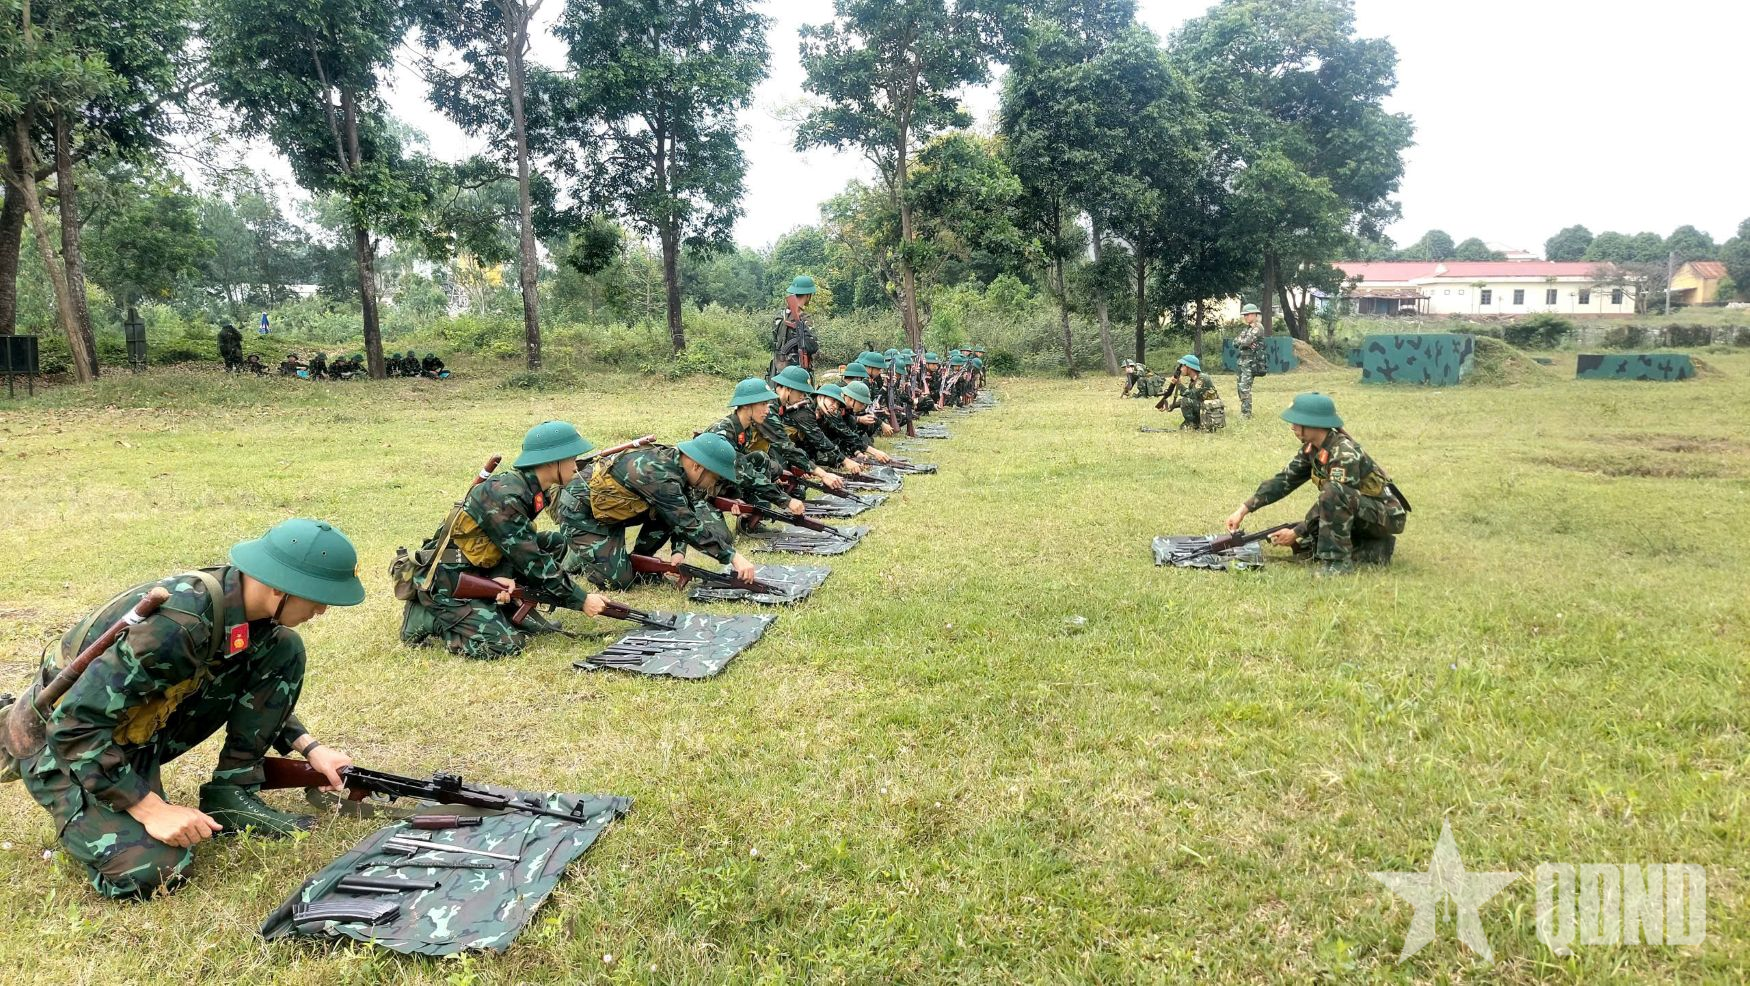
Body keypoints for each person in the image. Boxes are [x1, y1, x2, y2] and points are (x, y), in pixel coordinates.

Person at [6, 519, 366, 898]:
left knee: (283, 648)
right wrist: (150, 809)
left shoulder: (245, 608)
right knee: (155, 872)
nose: (322, 609)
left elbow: (245, 677)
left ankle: (232, 790)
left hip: (132, 730)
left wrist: (311, 747)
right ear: (280, 586)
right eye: (318, 596)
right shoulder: (173, 628)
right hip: (65, 747)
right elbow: (73, 726)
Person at [396, 421, 609, 659]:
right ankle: (427, 617)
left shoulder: (529, 488)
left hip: (479, 565)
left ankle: (500, 608)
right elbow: (532, 561)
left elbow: (509, 544)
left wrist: (502, 575)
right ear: (551, 461)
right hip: (449, 578)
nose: (576, 466)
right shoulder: (505, 497)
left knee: (555, 542)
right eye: (571, 458)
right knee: (505, 645)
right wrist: (581, 600)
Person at [1223, 393, 1408, 575]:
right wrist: (1243, 510)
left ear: (1314, 424)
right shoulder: (1312, 449)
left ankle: (1338, 564)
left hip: (1386, 517)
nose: (1292, 427)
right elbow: (1283, 481)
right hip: (1361, 510)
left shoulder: (1344, 453)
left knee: (1332, 493)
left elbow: (1337, 497)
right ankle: (1371, 549)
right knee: (1312, 539)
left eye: (1297, 422)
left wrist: (1296, 532)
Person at [558, 433, 759, 590]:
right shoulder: (661, 476)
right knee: (619, 582)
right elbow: (686, 524)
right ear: (697, 466)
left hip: (612, 512)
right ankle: (579, 556)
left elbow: (683, 511)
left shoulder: (677, 464)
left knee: (661, 523)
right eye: (714, 478)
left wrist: (678, 551)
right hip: (582, 515)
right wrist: (733, 557)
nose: (712, 485)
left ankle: (634, 557)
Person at [701, 378, 815, 516]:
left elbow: (745, 462)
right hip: (702, 489)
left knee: (761, 458)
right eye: (763, 404)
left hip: (725, 478)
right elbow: (743, 471)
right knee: (718, 533)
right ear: (746, 405)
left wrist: (772, 481)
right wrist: (786, 500)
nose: (767, 410)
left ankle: (756, 512)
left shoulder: (745, 428)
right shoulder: (724, 430)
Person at [770, 364, 864, 478]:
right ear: (788, 388)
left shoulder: (784, 404)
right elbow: (786, 444)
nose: (803, 397)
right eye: (800, 392)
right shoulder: (770, 406)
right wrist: (841, 463)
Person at [771, 275, 821, 378]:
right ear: (808, 295)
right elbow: (814, 347)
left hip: (779, 369)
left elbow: (775, 339)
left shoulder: (779, 316)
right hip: (797, 371)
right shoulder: (805, 319)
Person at [1170, 355, 1222, 430]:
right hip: (1204, 409)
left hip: (1210, 411)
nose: (1180, 369)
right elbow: (1191, 397)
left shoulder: (1202, 378)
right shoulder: (1194, 381)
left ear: (1189, 367)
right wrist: (1171, 406)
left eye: (1182, 366)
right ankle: (1195, 424)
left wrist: (1179, 384)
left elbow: (1191, 395)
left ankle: (1192, 425)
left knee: (1185, 401)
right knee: (1185, 401)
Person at [1234, 303, 1266, 418]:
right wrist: (1243, 341)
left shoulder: (1258, 327)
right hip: (1242, 361)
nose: (1245, 317)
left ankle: (1246, 413)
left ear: (1254, 314)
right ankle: (1244, 410)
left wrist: (1243, 341)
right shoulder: (1247, 329)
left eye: (1247, 315)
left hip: (1251, 362)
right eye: (1244, 315)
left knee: (1245, 387)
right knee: (1239, 387)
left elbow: (1246, 342)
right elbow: (1235, 342)